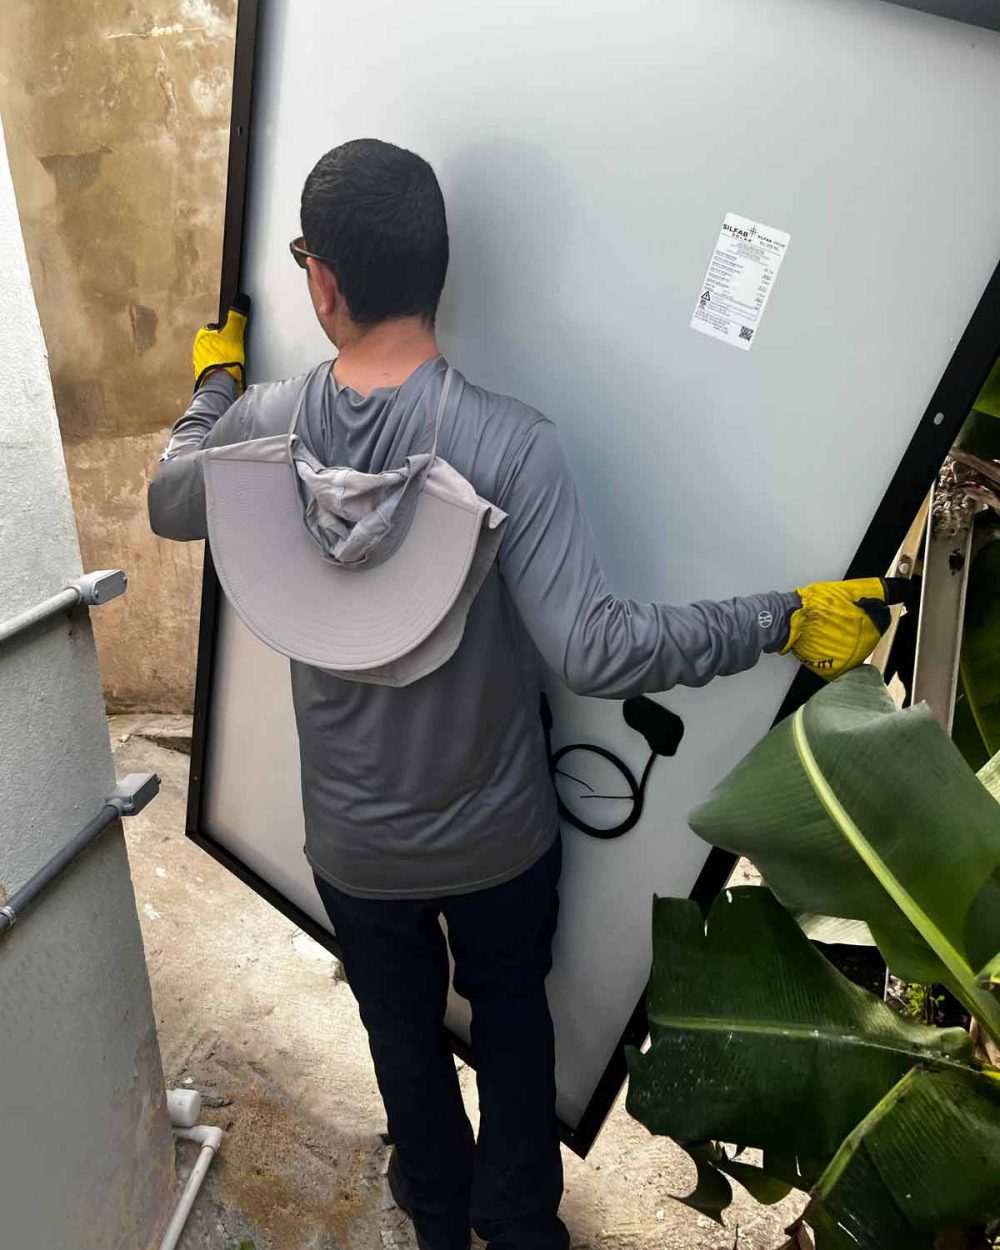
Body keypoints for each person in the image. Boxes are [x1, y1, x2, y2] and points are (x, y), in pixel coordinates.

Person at [148, 138, 888, 1250]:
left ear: (323, 283)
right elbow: (592, 651)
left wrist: (215, 379)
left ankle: (438, 1221)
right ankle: (521, 1223)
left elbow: (168, 499)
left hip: (354, 848)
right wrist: (777, 616)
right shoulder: (509, 444)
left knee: (399, 1032)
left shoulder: (264, 428)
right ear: (439, 269)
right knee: (509, 1018)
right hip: (499, 840)